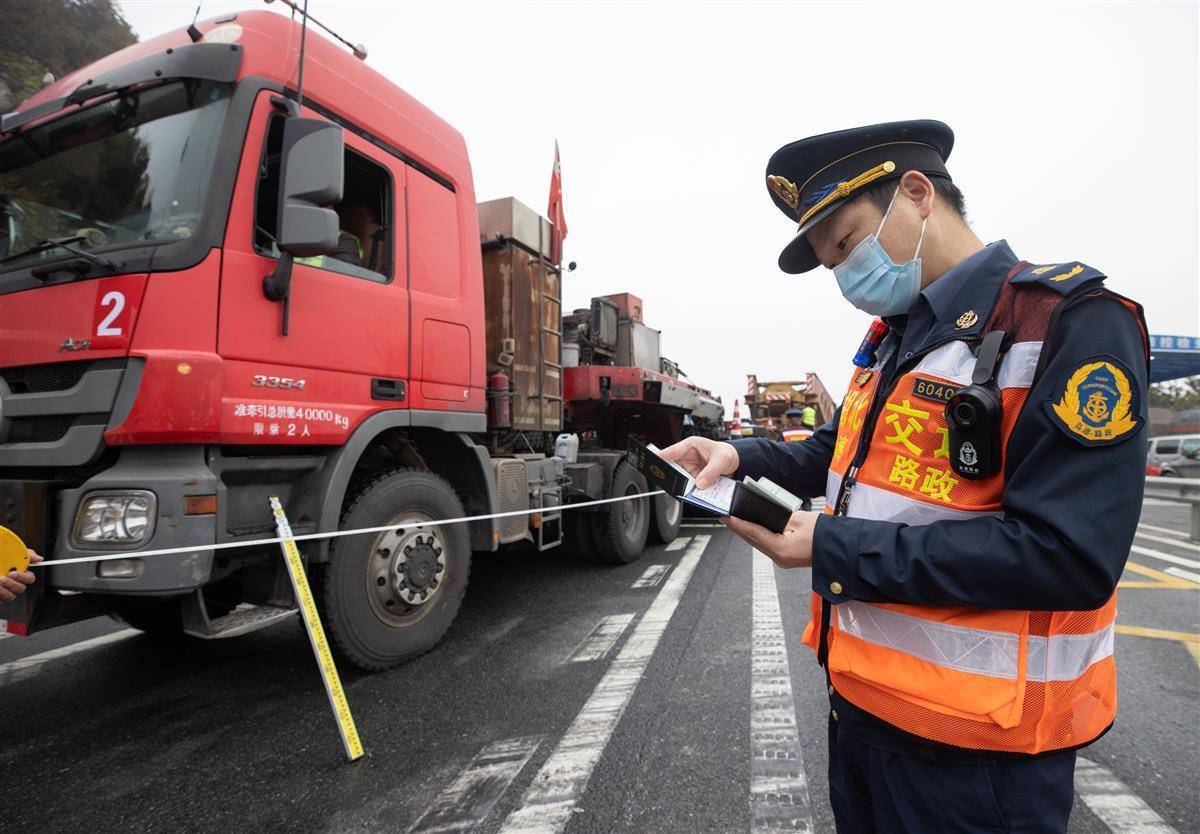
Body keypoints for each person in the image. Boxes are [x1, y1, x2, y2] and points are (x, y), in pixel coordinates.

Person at [660, 120, 1148, 833]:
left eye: (847, 244)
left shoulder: (1066, 322)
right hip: (862, 715)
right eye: (830, 265)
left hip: (979, 755)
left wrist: (830, 545)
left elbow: (1069, 557)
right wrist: (739, 456)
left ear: (917, 194)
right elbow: (841, 452)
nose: (844, 278)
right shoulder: (894, 335)